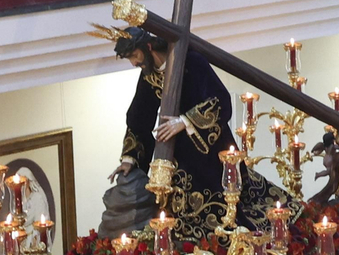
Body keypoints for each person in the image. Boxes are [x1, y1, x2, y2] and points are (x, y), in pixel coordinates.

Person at [109, 27, 289, 243]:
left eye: (134, 56)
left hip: (210, 149)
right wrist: (130, 158)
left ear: (147, 47)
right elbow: (139, 117)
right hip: (177, 154)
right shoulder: (149, 75)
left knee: (224, 206)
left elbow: (220, 101)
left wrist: (185, 122)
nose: (134, 63)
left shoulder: (191, 62)